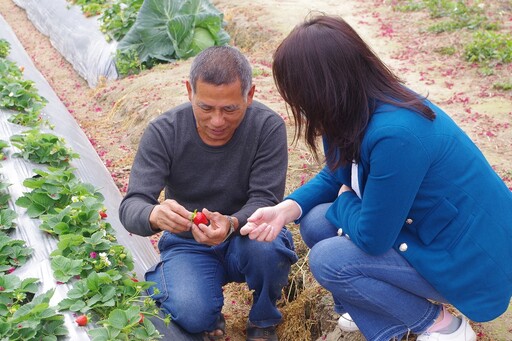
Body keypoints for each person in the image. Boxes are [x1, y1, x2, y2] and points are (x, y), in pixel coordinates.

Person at [240, 14, 512, 341]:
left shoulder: (397, 134)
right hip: (429, 233)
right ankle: (384, 323)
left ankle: (442, 327)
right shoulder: (355, 106)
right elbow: (337, 175)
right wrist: (285, 209)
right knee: (314, 222)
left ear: (319, 89)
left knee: (329, 259)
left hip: (469, 259)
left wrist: (343, 201)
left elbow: (372, 239)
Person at [119, 45, 298, 341]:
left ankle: (264, 318)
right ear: (189, 91)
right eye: (205, 108)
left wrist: (231, 223)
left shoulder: (267, 127)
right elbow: (131, 206)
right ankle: (204, 310)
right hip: (188, 242)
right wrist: (154, 214)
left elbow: (265, 199)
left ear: (249, 96)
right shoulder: (165, 131)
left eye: (230, 109)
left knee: (269, 247)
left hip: (246, 235)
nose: (217, 121)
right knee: (192, 311)